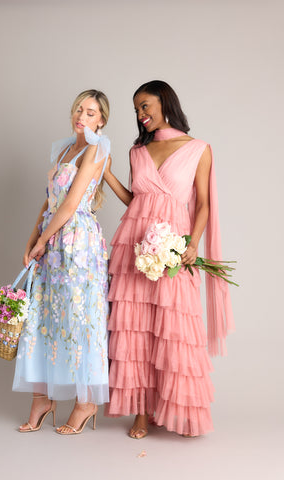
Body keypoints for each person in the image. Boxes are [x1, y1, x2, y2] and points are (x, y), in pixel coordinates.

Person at [104, 80, 234, 438]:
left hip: (173, 246)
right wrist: (106, 174)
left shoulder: (199, 149)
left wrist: (192, 244)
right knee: (137, 329)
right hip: (134, 246)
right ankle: (141, 413)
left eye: (145, 106)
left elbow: (204, 203)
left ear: (164, 102)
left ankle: (174, 408)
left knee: (173, 330)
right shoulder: (136, 151)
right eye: (136, 110)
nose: (141, 115)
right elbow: (137, 201)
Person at [13, 89, 110, 435]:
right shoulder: (64, 148)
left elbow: (70, 205)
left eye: (91, 112)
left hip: (76, 242)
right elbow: (50, 201)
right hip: (51, 237)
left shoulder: (97, 149)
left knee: (78, 315)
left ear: (101, 119)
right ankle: (42, 398)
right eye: (79, 109)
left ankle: (86, 402)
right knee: (42, 315)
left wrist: (43, 240)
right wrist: (31, 238)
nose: (81, 116)